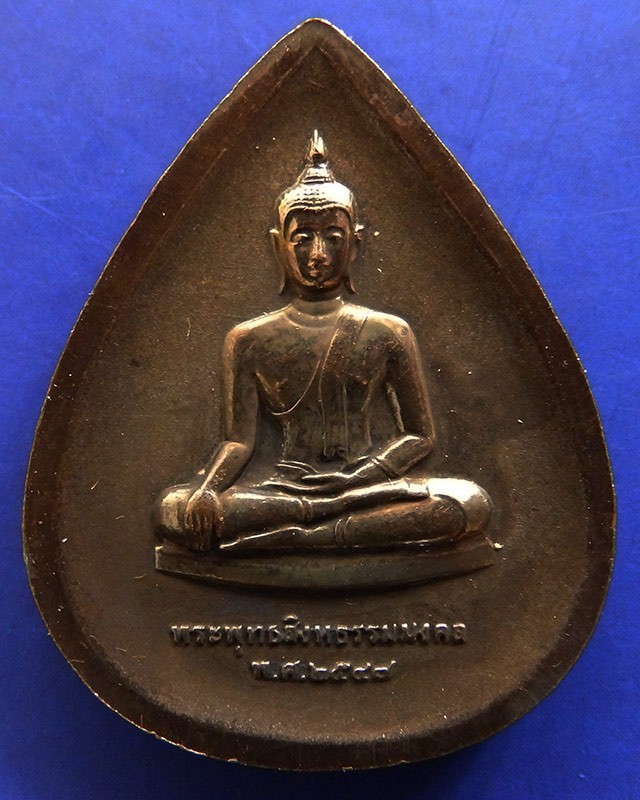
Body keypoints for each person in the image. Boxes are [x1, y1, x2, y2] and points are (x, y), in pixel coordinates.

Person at [156, 132, 491, 553]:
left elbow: (420, 436)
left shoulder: (388, 331)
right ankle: (322, 521)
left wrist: (359, 478)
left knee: (467, 502)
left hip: (367, 485)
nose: (318, 254)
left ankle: (303, 533)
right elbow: (240, 441)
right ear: (278, 246)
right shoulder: (249, 339)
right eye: (302, 239)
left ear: (355, 245)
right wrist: (208, 490)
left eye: (333, 237)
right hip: (285, 490)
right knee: (173, 509)